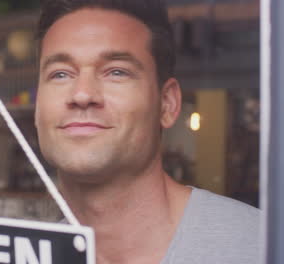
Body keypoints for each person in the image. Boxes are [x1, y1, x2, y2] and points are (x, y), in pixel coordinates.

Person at [33, 0, 260, 263]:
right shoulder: (27, 253)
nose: (82, 94)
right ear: (38, 107)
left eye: (116, 72)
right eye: (60, 74)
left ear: (167, 104)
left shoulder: (260, 247)